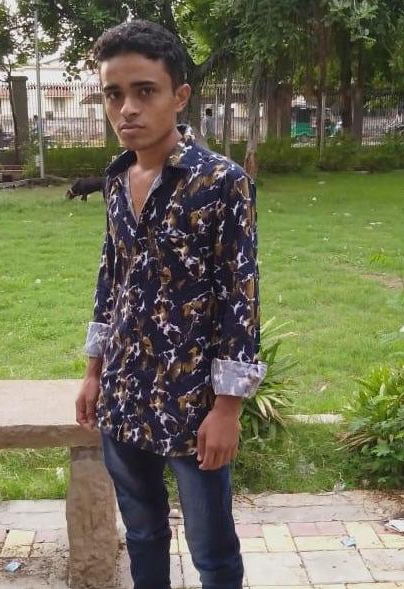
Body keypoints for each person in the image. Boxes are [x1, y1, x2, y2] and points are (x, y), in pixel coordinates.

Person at [75, 19, 266, 589]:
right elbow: (111, 278)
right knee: (142, 533)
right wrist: (93, 371)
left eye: (144, 91)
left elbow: (240, 297)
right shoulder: (116, 178)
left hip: (193, 401)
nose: (127, 109)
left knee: (212, 549)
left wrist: (228, 408)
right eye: (114, 94)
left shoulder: (222, 182)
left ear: (179, 96)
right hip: (125, 392)